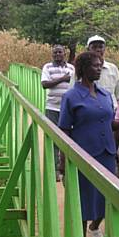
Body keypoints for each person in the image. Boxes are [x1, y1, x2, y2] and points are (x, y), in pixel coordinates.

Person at [58, 51, 117, 237]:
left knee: (106, 196)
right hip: (84, 154)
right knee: (84, 197)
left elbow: (109, 122)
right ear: (83, 69)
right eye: (94, 65)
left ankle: (95, 227)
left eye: (100, 65)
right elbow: (64, 129)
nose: (99, 68)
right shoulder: (71, 97)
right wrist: (63, 162)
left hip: (107, 153)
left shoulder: (105, 95)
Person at [85, 35, 119, 237]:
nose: (99, 50)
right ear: (88, 48)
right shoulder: (81, 70)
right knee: (85, 183)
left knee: (109, 180)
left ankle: (96, 226)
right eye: (95, 47)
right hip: (89, 123)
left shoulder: (113, 69)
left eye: (101, 47)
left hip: (111, 123)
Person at [41, 44, 75, 181]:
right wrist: (62, 79)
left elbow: (75, 84)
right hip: (52, 107)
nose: (57, 55)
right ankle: (54, 170)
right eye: (55, 53)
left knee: (69, 139)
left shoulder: (71, 68)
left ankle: (66, 169)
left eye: (59, 52)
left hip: (69, 109)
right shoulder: (47, 67)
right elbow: (44, 84)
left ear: (64, 54)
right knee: (54, 139)